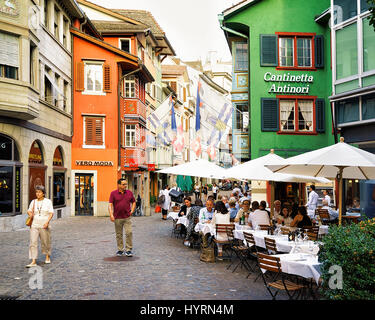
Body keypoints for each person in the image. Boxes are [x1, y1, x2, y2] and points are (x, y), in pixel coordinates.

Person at [26, 185, 54, 267]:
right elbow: (29, 211)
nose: (37, 194)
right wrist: (30, 214)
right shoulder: (33, 202)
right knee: (33, 242)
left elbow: (51, 213)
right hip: (34, 224)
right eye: (36, 192)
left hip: (44, 224)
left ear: (43, 193)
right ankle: (33, 260)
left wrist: (47, 222)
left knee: (45, 242)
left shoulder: (48, 202)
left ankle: (47, 256)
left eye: (39, 192)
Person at [109, 179, 136, 257]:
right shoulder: (113, 193)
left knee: (129, 232)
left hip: (127, 217)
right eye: (123, 184)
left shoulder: (129, 193)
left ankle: (128, 250)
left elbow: (133, 202)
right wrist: (111, 215)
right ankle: (120, 250)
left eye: (126, 184)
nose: (125, 186)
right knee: (119, 234)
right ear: (119, 185)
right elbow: (110, 204)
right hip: (117, 217)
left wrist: (132, 210)